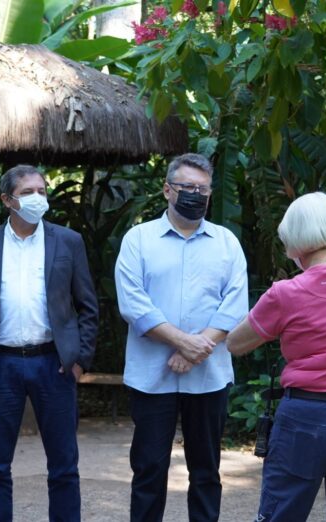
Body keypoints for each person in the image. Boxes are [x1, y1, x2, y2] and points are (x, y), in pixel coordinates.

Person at [227, 192, 326, 522]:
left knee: (281, 511)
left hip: (307, 417)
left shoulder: (286, 293)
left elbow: (236, 343)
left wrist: (273, 305)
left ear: (294, 241)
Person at [0, 164, 98, 522]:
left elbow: (88, 305)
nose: (38, 198)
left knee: (64, 465)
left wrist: (79, 358)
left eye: (42, 191)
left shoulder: (68, 241)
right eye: (27, 193)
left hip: (54, 363)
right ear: (7, 200)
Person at [114, 153, 248, 522]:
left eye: (202, 189)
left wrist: (194, 349)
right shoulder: (138, 239)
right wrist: (182, 342)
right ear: (167, 190)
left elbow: (234, 304)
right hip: (150, 377)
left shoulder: (226, 243)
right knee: (148, 470)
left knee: (206, 471)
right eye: (187, 187)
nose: (195, 194)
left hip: (208, 376)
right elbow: (133, 302)